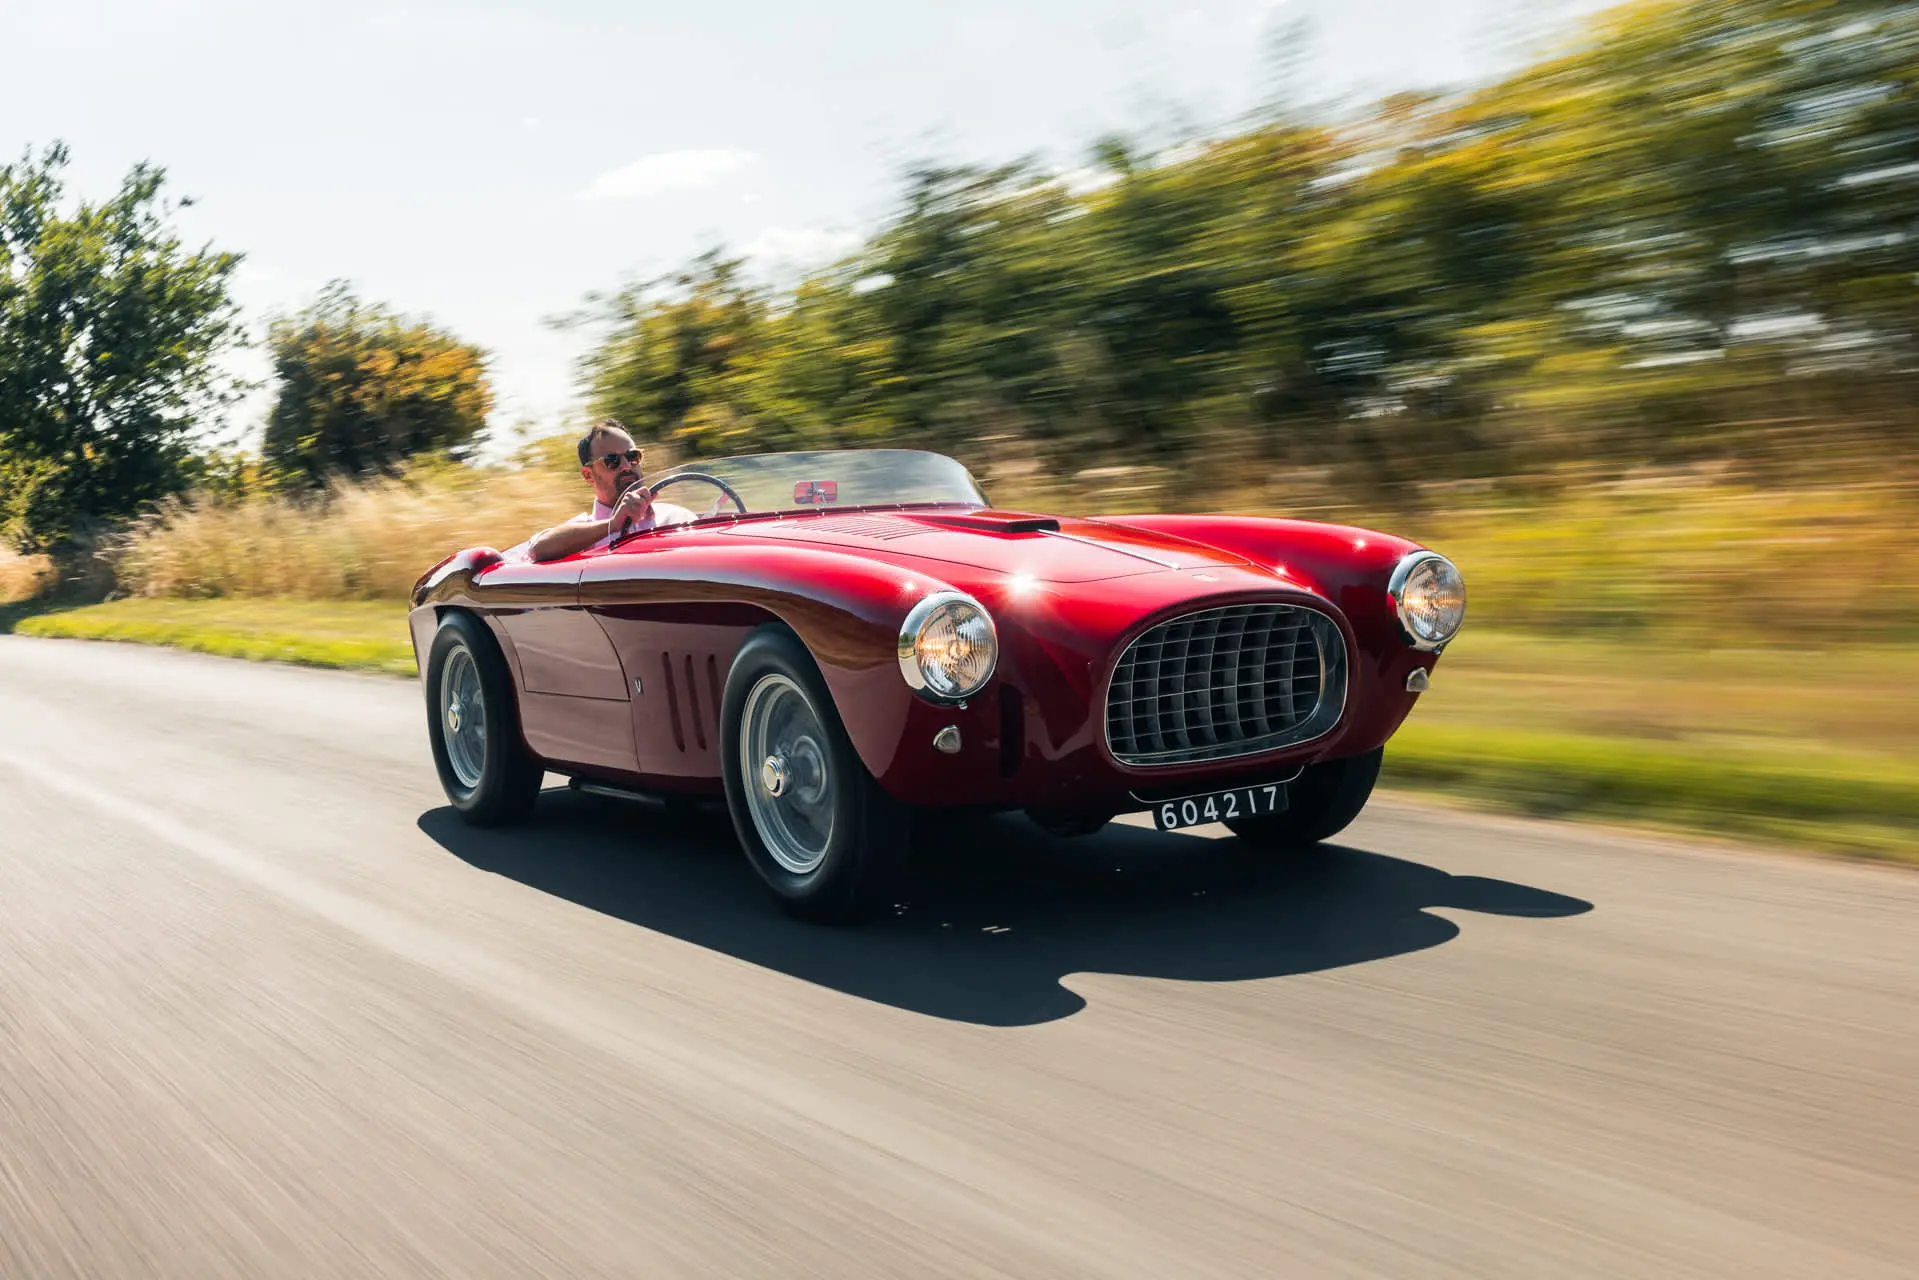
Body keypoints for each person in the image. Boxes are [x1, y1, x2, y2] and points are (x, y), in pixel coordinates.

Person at [525, 419, 697, 562]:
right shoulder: (581, 532)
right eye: (612, 460)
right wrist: (613, 524)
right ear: (588, 475)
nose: (626, 466)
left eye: (632, 456)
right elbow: (537, 550)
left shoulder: (677, 517)